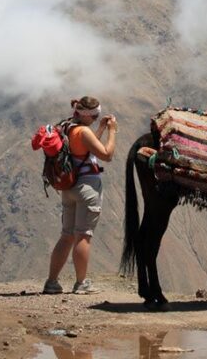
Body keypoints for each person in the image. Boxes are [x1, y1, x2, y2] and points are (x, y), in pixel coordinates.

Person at [42, 96, 118, 295]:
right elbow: (107, 155)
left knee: (67, 235)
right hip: (87, 188)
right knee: (83, 235)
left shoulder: (67, 126)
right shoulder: (83, 131)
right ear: (89, 115)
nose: (96, 119)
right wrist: (112, 131)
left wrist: (99, 129)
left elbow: (85, 149)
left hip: (69, 187)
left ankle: (52, 282)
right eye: (95, 116)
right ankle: (81, 282)